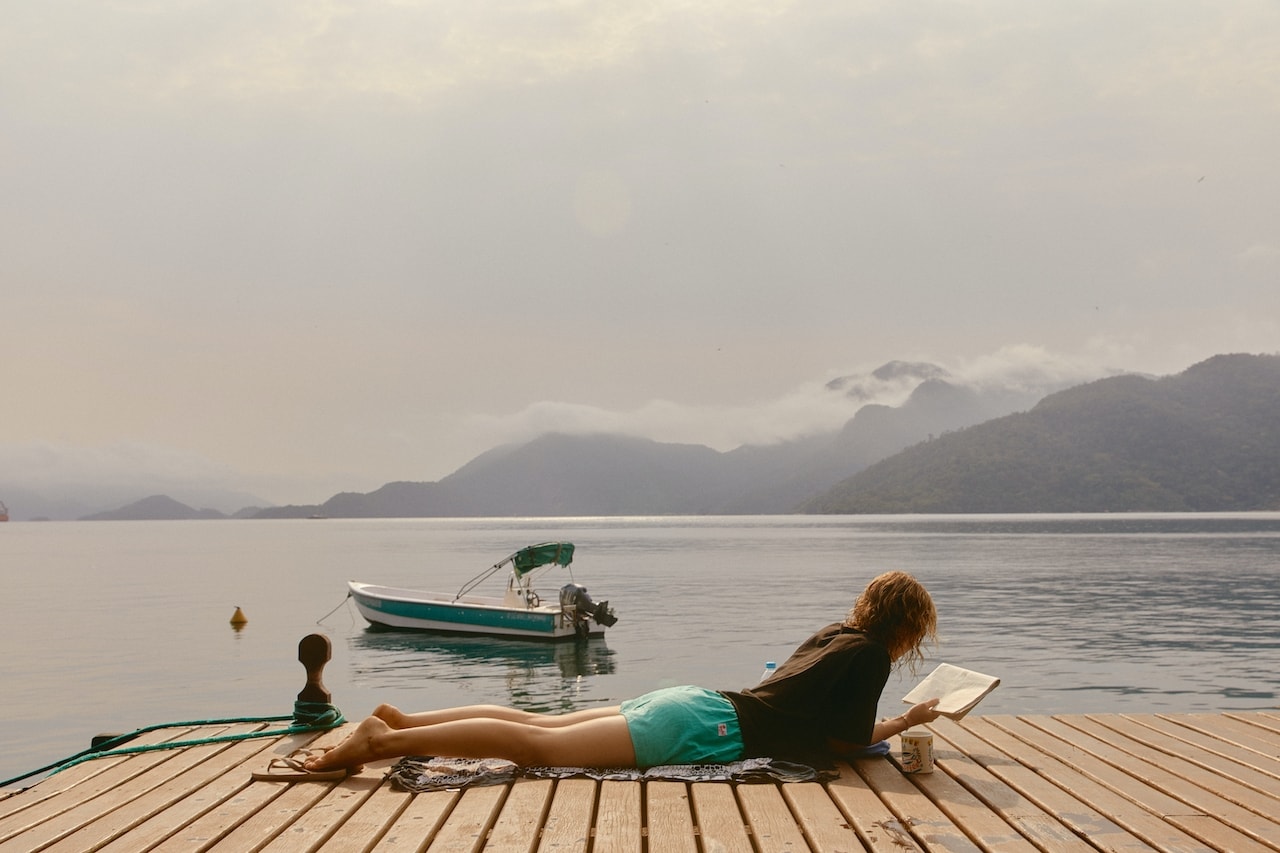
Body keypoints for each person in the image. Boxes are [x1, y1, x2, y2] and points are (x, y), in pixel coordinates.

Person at [303, 570, 940, 773]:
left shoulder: (839, 634)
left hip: (699, 702)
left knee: (538, 722)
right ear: (905, 625)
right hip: (710, 732)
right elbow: (848, 739)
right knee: (536, 748)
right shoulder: (870, 654)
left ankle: (406, 720)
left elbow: (824, 717)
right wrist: (908, 720)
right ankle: (382, 742)